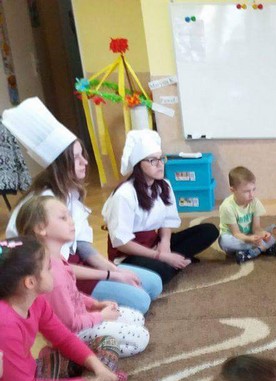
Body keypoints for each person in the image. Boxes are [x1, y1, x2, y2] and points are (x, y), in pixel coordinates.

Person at [2, 97, 162, 314]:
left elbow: (84, 247)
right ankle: (80, 311)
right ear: (61, 164)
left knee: (153, 284)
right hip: (60, 278)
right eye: (77, 158)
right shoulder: (44, 204)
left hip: (81, 266)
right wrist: (110, 275)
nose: (85, 162)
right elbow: (57, 268)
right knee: (140, 301)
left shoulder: (70, 192)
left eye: (82, 156)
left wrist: (115, 271)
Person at [0, 237, 120, 381]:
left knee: (108, 342)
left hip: (33, 374)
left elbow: (64, 339)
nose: (54, 270)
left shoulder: (36, 301)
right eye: (48, 268)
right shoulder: (5, 322)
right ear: (30, 282)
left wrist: (99, 369)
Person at [17, 195, 149, 357]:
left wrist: (95, 304)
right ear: (40, 228)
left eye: (69, 216)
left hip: (83, 319)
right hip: (73, 334)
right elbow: (70, 324)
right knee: (141, 337)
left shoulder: (57, 259)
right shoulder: (52, 274)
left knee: (136, 318)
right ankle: (66, 355)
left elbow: (73, 294)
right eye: (63, 218)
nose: (71, 221)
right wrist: (100, 316)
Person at [102, 130, 219, 285]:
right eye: (152, 160)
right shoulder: (124, 195)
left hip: (155, 244)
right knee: (162, 272)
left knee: (209, 230)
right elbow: (122, 243)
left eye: (161, 158)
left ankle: (172, 262)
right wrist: (161, 256)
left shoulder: (164, 185)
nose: (160, 164)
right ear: (138, 165)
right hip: (129, 254)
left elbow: (166, 221)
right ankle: (172, 263)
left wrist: (165, 245)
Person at [218, 165, 276, 264]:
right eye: (246, 191)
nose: (252, 195)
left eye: (253, 189)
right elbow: (236, 233)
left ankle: (250, 251)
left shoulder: (255, 202)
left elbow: (256, 228)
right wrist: (249, 239)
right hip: (235, 238)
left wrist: (263, 234)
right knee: (224, 241)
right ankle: (262, 248)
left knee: (271, 235)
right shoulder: (227, 207)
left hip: (250, 235)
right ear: (233, 190)